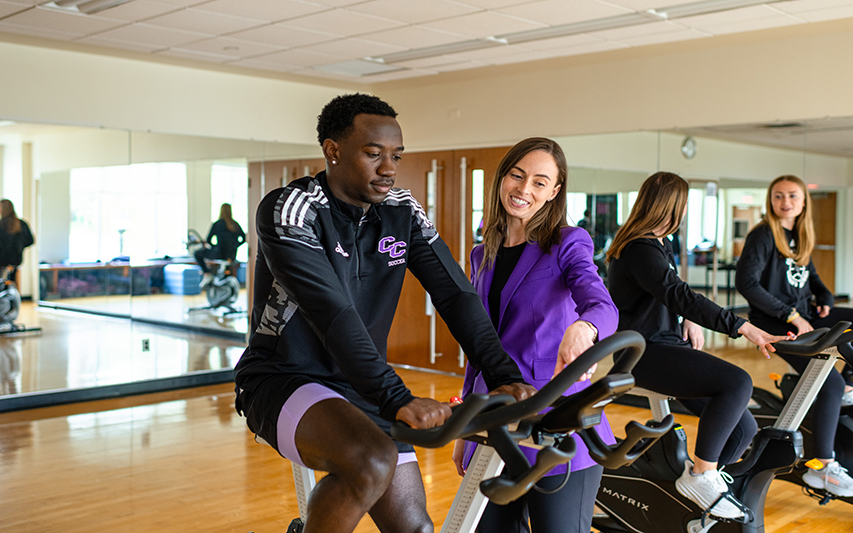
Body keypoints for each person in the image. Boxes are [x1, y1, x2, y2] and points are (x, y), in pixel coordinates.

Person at [233, 93, 535, 533]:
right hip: (284, 378)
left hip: (362, 386)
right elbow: (332, 312)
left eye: (395, 155)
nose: (389, 168)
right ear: (333, 151)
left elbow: (454, 295)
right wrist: (396, 397)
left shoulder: (401, 211)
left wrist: (503, 374)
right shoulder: (291, 209)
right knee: (372, 460)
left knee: (416, 529)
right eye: (374, 154)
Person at [452, 138, 618, 533]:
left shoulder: (567, 243)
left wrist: (584, 327)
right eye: (517, 175)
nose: (525, 190)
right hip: (497, 421)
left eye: (540, 182)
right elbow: (482, 345)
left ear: (555, 192)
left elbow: (602, 306)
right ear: (502, 178)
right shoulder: (482, 253)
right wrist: (467, 424)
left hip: (557, 422)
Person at [606, 172, 784, 519]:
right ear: (671, 206)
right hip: (642, 354)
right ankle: (701, 474)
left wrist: (686, 318)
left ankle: (693, 501)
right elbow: (677, 293)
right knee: (737, 382)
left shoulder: (660, 243)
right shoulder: (639, 247)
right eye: (684, 205)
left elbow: (668, 289)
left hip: (666, 344)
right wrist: (742, 326)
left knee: (744, 428)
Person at [735, 174, 853, 497]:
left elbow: (811, 277)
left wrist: (826, 297)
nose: (785, 202)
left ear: (803, 202)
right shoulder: (763, 235)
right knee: (830, 382)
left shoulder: (799, 235)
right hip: (775, 324)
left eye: (792, 196)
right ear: (770, 201)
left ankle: (849, 387)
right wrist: (791, 315)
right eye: (778, 196)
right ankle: (824, 468)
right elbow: (746, 284)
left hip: (805, 316)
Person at [194, 203, 245, 285]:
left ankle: (207, 273)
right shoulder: (235, 224)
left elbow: (209, 240)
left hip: (219, 253)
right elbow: (243, 238)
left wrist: (215, 247)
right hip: (231, 255)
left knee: (197, 253)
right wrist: (235, 246)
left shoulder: (217, 224)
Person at [0, 199, 34, 285]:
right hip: (16, 260)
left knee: (3, 283)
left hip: (2, 261)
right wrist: (20, 247)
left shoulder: (1, 225)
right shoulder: (21, 224)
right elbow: (30, 240)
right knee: (12, 283)